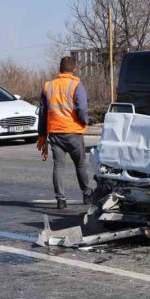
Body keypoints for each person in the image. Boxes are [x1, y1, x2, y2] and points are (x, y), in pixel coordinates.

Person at [37, 56, 93, 210]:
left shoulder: (48, 86)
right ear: (74, 68)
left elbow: (42, 113)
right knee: (80, 164)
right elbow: (82, 108)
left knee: (59, 167)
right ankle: (87, 194)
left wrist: (42, 134)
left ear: (60, 69)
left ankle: (60, 200)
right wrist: (85, 121)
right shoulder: (76, 85)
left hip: (55, 133)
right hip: (73, 132)